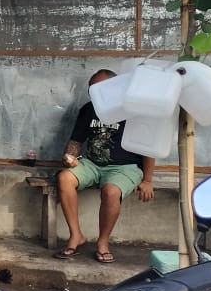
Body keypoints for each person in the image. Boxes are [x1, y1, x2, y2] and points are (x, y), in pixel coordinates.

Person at [55, 69, 155, 264]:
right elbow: (76, 141)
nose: (93, 92)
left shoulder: (133, 110)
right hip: (92, 164)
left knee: (110, 191)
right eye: (91, 89)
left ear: (114, 88)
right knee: (64, 177)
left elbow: (148, 148)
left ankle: (102, 243)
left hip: (125, 167)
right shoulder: (88, 109)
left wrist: (148, 180)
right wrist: (70, 156)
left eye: (97, 88)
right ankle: (76, 236)